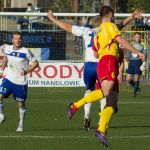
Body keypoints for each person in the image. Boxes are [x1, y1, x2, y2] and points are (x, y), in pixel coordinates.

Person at [47, 9, 142, 132]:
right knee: (105, 93)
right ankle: (100, 122)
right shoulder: (108, 29)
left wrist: (53, 19)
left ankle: (86, 115)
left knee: (90, 89)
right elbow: (119, 26)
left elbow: (68, 27)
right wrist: (131, 18)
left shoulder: (88, 31)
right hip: (103, 64)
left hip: (89, 66)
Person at [66, 5, 145, 147]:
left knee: (112, 103)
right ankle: (75, 106)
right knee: (106, 92)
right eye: (113, 14)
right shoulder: (109, 26)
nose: (114, 17)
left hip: (107, 61)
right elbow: (121, 39)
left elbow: (96, 53)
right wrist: (137, 52)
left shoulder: (98, 31)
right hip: (108, 61)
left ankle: (101, 130)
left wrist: (131, 18)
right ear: (110, 14)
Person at [0, 32, 39, 132]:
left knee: (21, 103)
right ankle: (1, 115)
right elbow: (5, 58)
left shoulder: (26, 51)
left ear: (22, 40)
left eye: (19, 39)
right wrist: (2, 69)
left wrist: (26, 71)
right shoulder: (7, 48)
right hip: (9, 78)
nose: (17, 40)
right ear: (12, 40)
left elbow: (36, 63)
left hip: (20, 82)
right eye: (15, 39)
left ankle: (21, 122)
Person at [126, 32, 146, 97]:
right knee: (128, 79)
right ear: (134, 37)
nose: (138, 38)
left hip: (138, 62)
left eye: (139, 37)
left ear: (140, 38)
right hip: (131, 62)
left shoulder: (143, 45)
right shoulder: (131, 44)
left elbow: (145, 55)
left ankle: (135, 92)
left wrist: (144, 64)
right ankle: (137, 88)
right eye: (136, 37)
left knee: (136, 78)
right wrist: (127, 63)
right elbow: (128, 54)